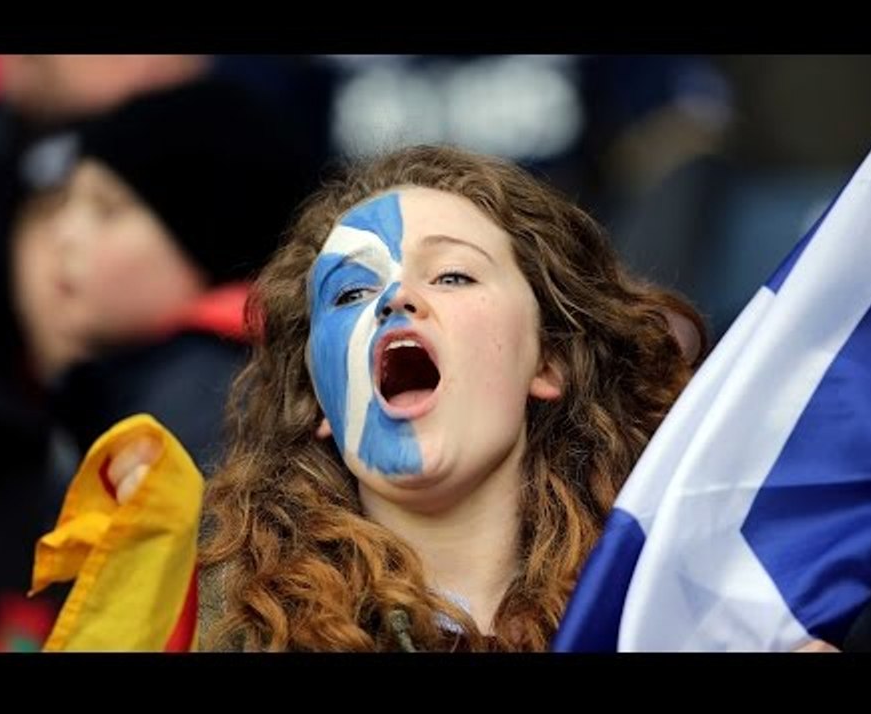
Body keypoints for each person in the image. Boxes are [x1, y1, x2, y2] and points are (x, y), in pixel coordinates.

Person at [35, 143, 705, 652]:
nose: (398, 299)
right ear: (321, 400)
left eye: (452, 274)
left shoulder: (671, 604)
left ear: (549, 360)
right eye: (352, 294)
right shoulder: (224, 623)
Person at [10, 78, 322, 479]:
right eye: (68, 201)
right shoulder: (157, 382)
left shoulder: (210, 409)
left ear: (206, 247)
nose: (64, 235)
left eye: (108, 210)